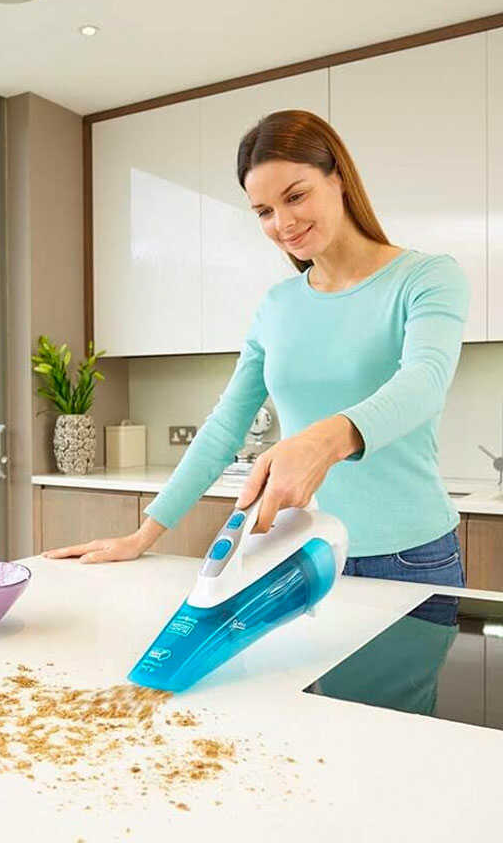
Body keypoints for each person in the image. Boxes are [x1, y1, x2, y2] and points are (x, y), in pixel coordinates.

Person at [46, 109, 468, 586]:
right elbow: (226, 424)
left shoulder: (425, 278)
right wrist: (144, 534)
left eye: (296, 196)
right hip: (305, 552)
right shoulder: (278, 304)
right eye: (264, 211)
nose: (282, 223)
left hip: (410, 556)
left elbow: (424, 382)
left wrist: (319, 441)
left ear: (339, 179)